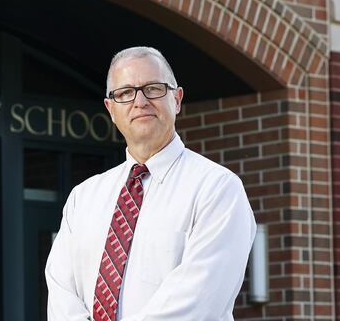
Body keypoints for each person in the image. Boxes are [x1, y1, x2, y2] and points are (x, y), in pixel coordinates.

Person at [45, 46, 256, 320]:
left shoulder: (217, 189)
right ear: (110, 109)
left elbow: (198, 300)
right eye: (125, 93)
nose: (140, 101)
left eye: (153, 89)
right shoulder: (83, 198)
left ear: (177, 99)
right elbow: (62, 293)